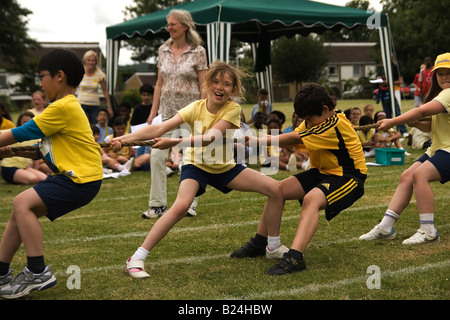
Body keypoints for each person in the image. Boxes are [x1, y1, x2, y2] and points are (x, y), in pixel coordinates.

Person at [111, 61, 286, 279]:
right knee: (182, 205)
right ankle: (136, 258)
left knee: (276, 189)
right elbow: (159, 127)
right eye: (215, 81)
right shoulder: (195, 107)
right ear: (207, 83)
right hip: (196, 166)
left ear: (234, 90)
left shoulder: (233, 109)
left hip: (226, 168)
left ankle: (273, 246)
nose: (220, 87)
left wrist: (173, 142)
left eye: (227, 84)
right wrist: (123, 139)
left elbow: (211, 137)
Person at [231, 83, 367, 276]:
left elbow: (295, 139)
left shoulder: (331, 125)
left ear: (325, 110)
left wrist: (260, 140)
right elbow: (297, 133)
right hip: (324, 171)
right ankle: (260, 242)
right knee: (276, 189)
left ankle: (295, 258)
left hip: (349, 177)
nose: (306, 122)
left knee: (312, 199)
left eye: (309, 118)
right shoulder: (317, 119)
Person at [0, 49, 103, 299]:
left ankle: (38, 272)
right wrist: (11, 151)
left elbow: (22, 131)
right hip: (77, 179)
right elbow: (42, 150)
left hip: (80, 180)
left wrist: (8, 142)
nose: (40, 83)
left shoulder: (63, 107)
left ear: (59, 76)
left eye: (42, 76)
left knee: (21, 202)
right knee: (20, 212)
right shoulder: (64, 106)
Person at [360, 52, 450, 245]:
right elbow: (434, 126)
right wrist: (417, 125)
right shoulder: (441, 95)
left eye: (449, 72)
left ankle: (428, 230)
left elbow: (422, 110)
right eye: (441, 73)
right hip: (439, 148)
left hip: (448, 150)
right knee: (407, 176)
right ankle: (386, 227)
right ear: (435, 76)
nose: (445, 77)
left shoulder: (449, 94)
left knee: (420, 176)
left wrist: (392, 120)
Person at [144, 9, 208, 219]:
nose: (169, 27)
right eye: (168, 24)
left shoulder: (198, 51)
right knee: (156, 156)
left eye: (173, 24)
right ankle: (157, 205)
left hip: (191, 113)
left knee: (191, 158)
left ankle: (189, 204)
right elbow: (159, 84)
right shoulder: (163, 50)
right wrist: (153, 112)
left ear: (185, 26)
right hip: (167, 114)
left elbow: (203, 84)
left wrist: (206, 111)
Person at [0, 111, 48, 184]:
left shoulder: (37, 138)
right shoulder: (15, 133)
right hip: (10, 167)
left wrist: (35, 170)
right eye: (23, 122)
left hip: (24, 167)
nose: (26, 124)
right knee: (33, 179)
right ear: (19, 123)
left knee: (44, 178)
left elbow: (37, 153)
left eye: (29, 122)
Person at [78, 50, 113, 124]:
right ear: (85, 61)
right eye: (89, 60)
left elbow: (105, 91)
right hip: (81, 103)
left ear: (96, 62)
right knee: (82, 124)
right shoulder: (80, 71)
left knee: (94, 126)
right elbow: (73, 87)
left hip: (94, 105)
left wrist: (109, 107)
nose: (90, 62)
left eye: (93, 61)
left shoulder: (99, 74)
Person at [130, 83, 155, 157]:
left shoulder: (154, 109)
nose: (146, 97)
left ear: (152, 95)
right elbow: (133, 125)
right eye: (144, 95)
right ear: (141, 95)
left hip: (151, 134)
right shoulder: (137, 109)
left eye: (148, 95)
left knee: (149, 153)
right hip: (139, 135)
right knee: (139, 153)